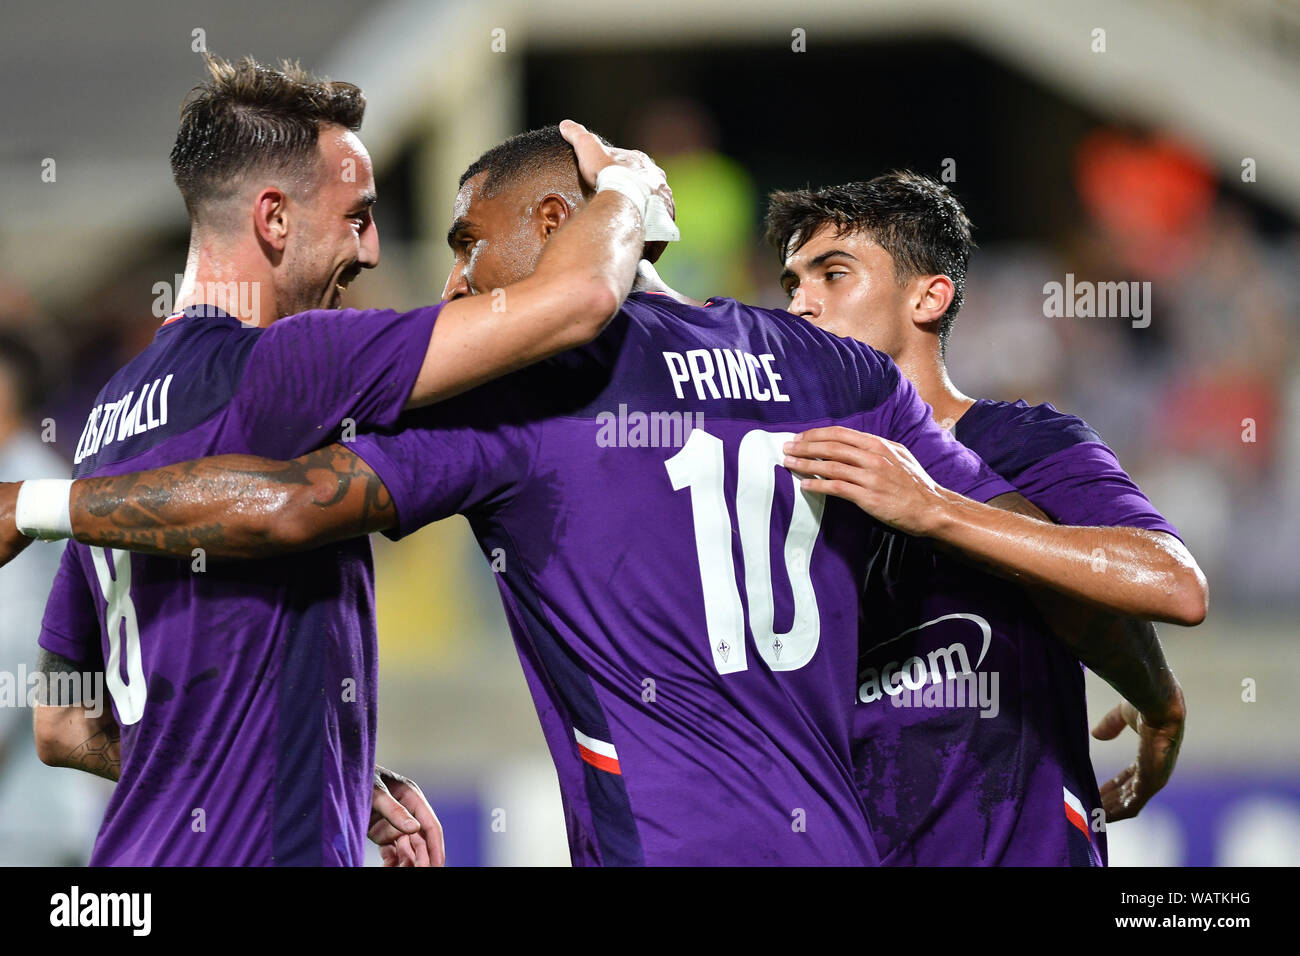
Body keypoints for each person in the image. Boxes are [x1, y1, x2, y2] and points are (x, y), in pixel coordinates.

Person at [2, 128, 1025, 866]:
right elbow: (1038, 540)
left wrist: (46, 506)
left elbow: (282, 507)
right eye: (364, 222)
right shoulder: (828, 368)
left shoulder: (526, 399)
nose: (444, 278)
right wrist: (1146, 692)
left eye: (462, 240)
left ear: (555, 222)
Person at [20, 55, 660, 867]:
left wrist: (319, 776)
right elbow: (576, 304)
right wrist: (627, 190)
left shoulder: (108, 417)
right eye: (358, 216)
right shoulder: (290, 365)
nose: (373, 249)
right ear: (275, 220)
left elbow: (63, 720)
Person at [764, 173, 1205, 864]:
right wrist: (1158, 699)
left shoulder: (1020, 441)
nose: (800, 305)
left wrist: (934, 508)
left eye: (833, 273)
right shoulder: (775, 472)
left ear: (928, 296)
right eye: (793, 283)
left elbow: (1172, 583)